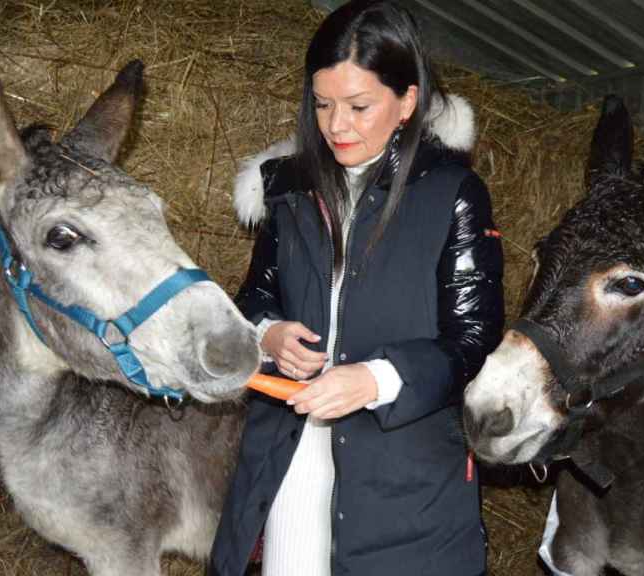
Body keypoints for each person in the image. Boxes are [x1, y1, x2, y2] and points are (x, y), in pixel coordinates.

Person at [209, 1, 503, 574]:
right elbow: (255, 295)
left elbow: (473, 338)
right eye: (322, 104)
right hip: (293, 448)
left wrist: (377, 378)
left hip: (404, 468)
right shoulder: (290, 189)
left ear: (408, 101)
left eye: (359, 106)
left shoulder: (453, 193)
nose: (337, 125)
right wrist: (269, 334)